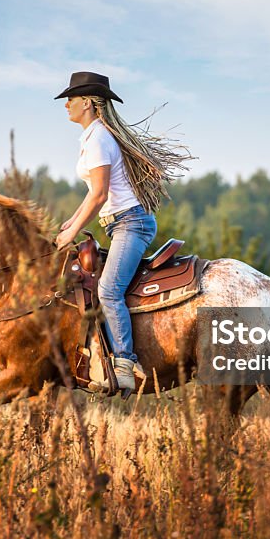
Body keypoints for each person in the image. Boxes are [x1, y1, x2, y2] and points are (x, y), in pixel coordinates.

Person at [52, 71, 191, 394]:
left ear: (87, 103)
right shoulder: (93, 136)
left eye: (71, 99)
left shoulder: (99, 138)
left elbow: (100, 194)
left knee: (109, 291)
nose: (67, 105)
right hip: (119, 222)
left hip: (131, 223)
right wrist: (71, 222)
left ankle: (125, 364)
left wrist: (73, 231)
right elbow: (94, 194)